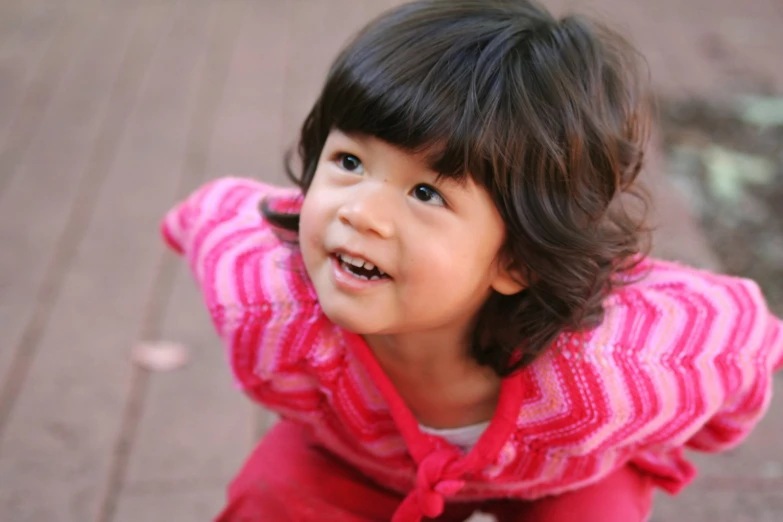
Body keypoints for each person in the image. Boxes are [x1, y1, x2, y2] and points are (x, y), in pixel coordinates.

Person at [161, 1, 783, 520]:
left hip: (559, 480)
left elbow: (748, 344)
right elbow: (208, 216)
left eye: (426, 193)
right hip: (356, 460)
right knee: (269, 498)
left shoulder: (616, 366)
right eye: (349, 162)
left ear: (518, 259)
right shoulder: (266, 296)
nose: (360, 213)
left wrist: (696, 436)